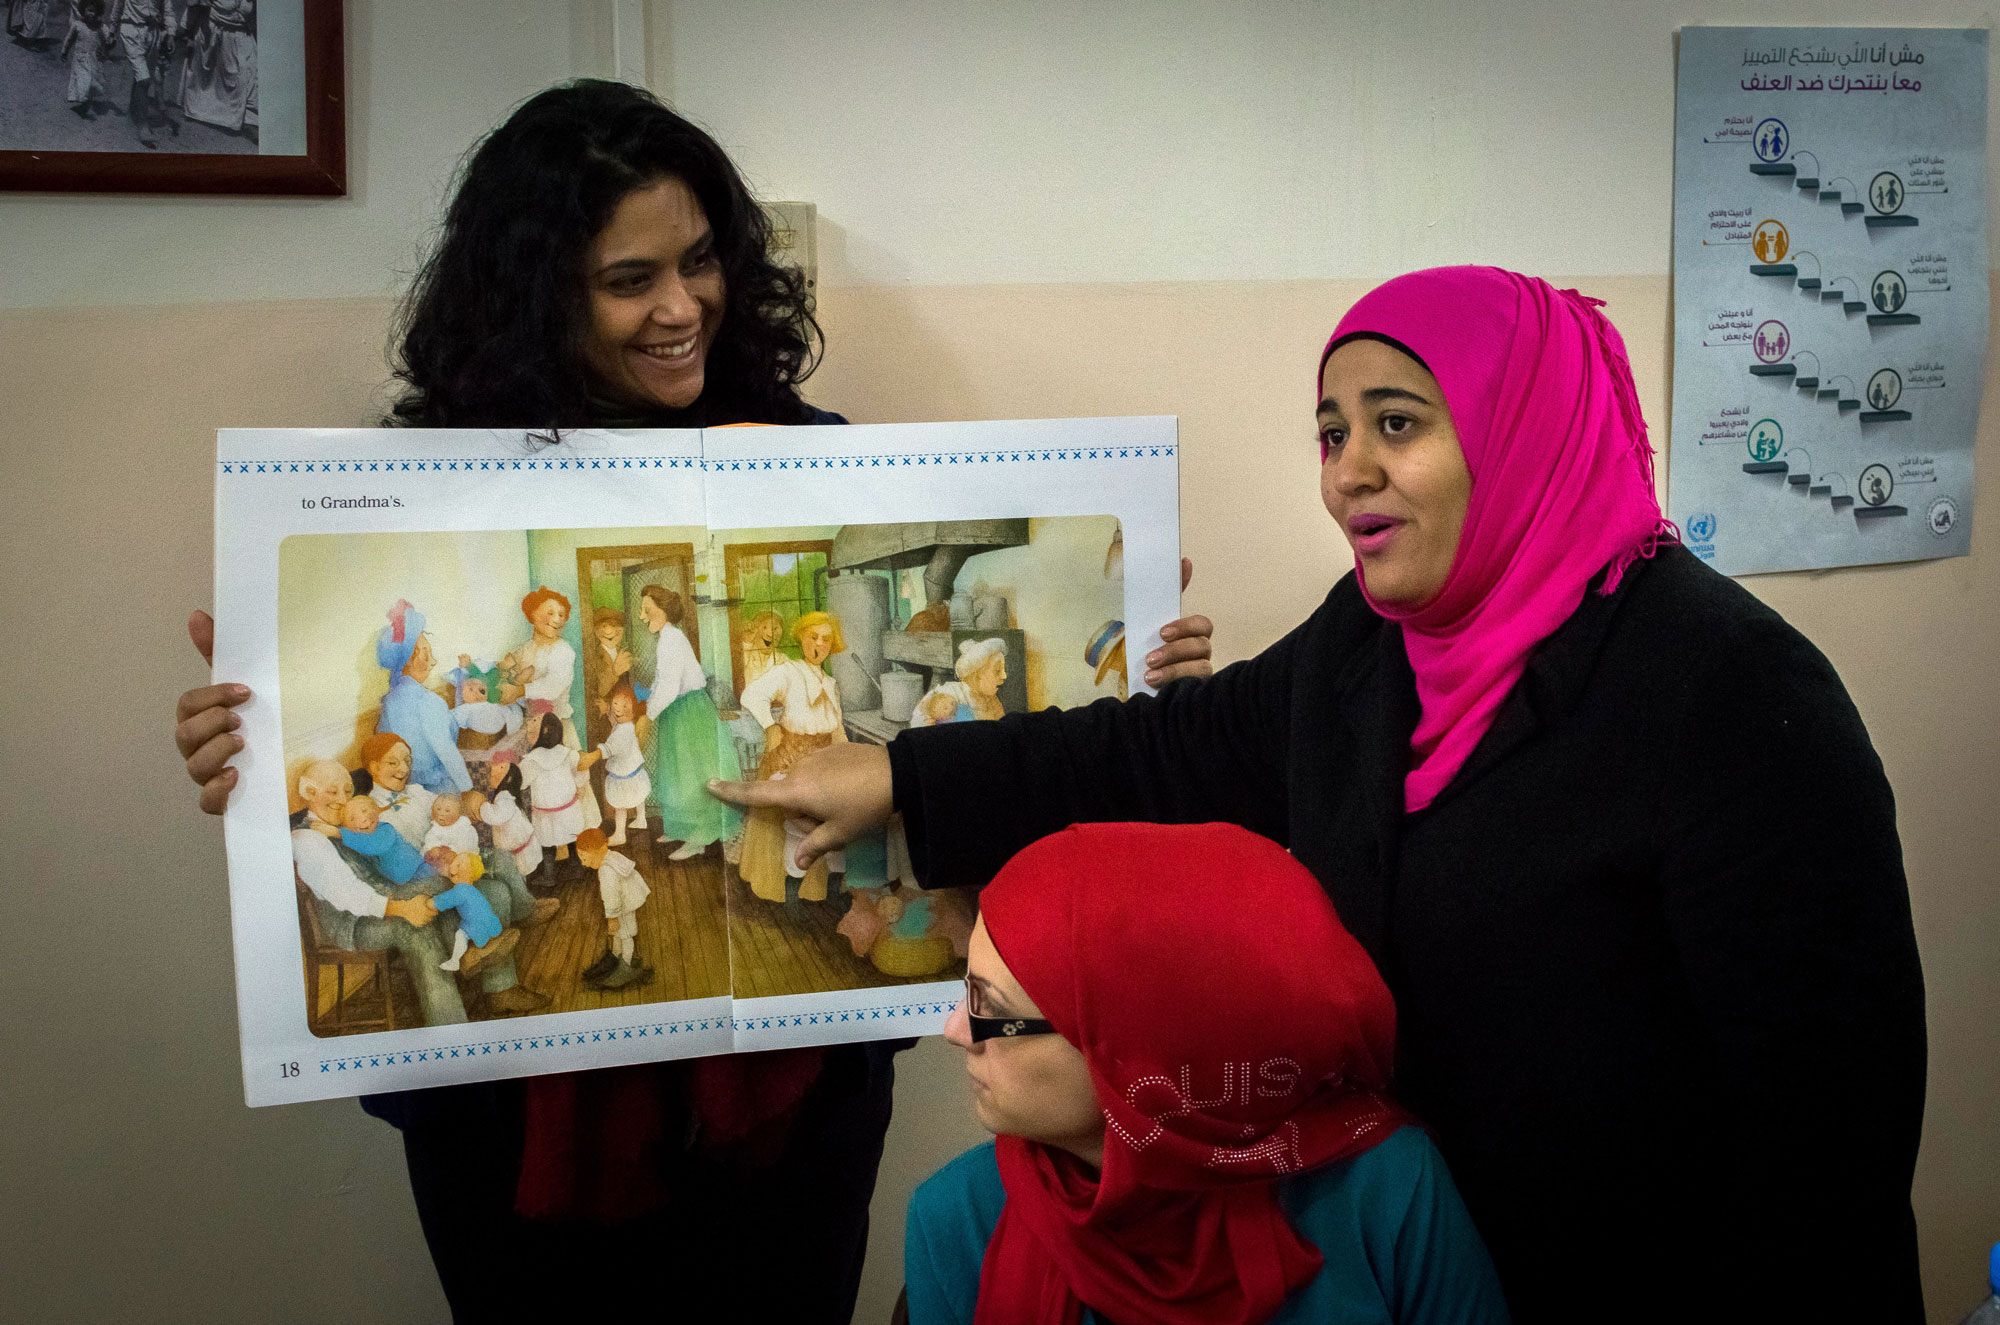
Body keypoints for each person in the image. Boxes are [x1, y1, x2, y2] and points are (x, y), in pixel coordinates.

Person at [171, 79, 1216, 1322]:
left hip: (790, 1100)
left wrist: (1146, 677)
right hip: (506, 1115)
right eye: (630, 279)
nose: (682, 308)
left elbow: (1010, 769)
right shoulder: (428, 475)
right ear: (537, 289)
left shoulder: (815, 451)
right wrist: (251, 743)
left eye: (701, 259)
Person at [715, 265, 1927, 1319]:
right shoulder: (1377, 643)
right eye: (1331, 432)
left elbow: (1826, 1142)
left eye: (1396, 423)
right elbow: (1163, 751)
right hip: (1415, 1253)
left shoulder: (1726, 694)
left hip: (1640, 1284)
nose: (1350, 471)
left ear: (1520, 430)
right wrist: (897, 775)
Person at [907, 822, 1508, 1324]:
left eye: (991, 1006)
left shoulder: (1384, 1186)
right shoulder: (956, 1220)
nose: (956, 1030)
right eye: (966, 991)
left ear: (1137, 1049)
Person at [635, 583, 738, 859]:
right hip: (677, 711)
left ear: (664, 611)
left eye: (647, 611)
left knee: (693, 774)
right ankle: (680, 828)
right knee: (676, 773)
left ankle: (700, 838)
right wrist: (647, 700)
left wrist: (648, 715)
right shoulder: (668, 637)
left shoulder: (672, 639)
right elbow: (661, 682)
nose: (642, 617)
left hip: (690, 712)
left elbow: (669, 687)